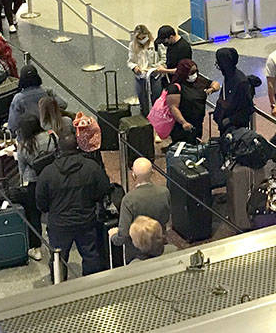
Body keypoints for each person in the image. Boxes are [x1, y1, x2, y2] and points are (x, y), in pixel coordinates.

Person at [35, 133, 111, 280]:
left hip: (59, 224)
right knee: (91, 256)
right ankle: (91, 287)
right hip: (86, 221)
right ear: (77, 147)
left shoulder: (47, 173)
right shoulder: (91, 167)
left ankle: (60, 287)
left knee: (58, 259)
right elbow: (104, 189)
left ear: (58, 149)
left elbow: (41, 202)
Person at [108, 158, 172, 261]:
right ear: (152, 173)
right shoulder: (164, 192)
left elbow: (123, 235)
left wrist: (113, 236)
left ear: (133, 175)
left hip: (136, 254)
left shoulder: (129, 200)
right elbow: (166, 219)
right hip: (159, 247)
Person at [14, 116, 54, 260]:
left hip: (34, 182)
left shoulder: (24, 146)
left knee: (33, 215)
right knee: (54, 209)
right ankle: (54, 237)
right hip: (52, 178)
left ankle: (36, 248)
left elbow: (21, 170)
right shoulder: (50, 136)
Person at [165, 59, 217, 144]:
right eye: (191, 72)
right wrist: (183, 122)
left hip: (198, 122)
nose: (194, 74)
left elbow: (215, 84)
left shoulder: (199, 80)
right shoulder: (175, 87)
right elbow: (173, 107)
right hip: (182, 126)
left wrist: (212, 89)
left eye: (195, 71)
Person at [7, 64, 58, 137]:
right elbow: (62, 105)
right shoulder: (45, 92)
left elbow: (13, 125)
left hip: (29, 136)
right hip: (49, 131)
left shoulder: (18, 99)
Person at [212, 47, 255, 134]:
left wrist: (229, 120)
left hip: (236, 129)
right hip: (226, 126)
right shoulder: (228, 76)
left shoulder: (240, 82)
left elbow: (247, 108)